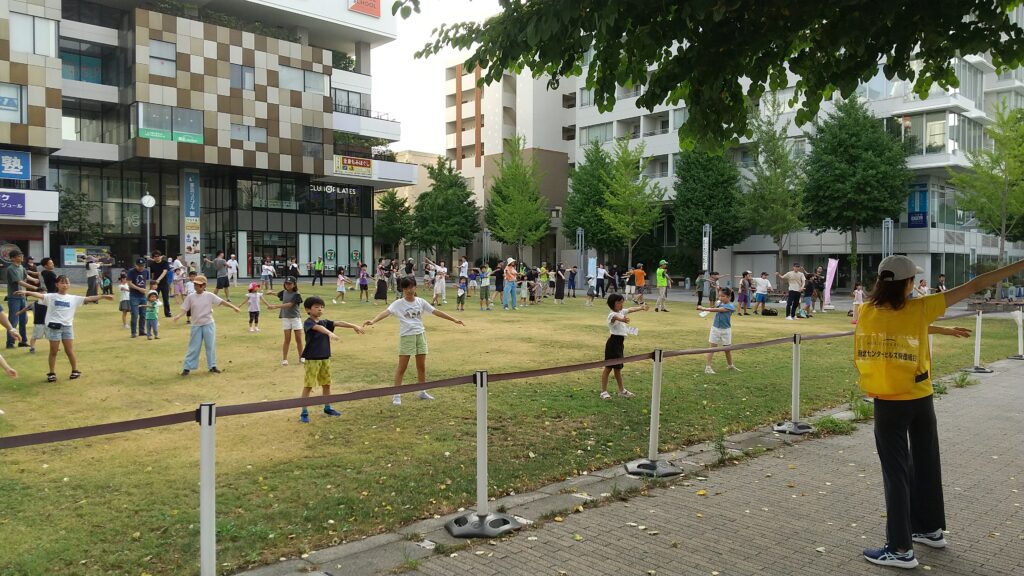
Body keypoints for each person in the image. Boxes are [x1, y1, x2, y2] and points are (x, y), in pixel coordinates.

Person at [855, 255, 1024, 568]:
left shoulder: (865, 310)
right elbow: (975, 285)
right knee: (926, 462)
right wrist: (1019, 265)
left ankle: (900, 549)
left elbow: (895, 325)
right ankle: (929, 529)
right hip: (921, 398)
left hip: (889, 402)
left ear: (880, 282)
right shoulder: (922, 307)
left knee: (896, 472)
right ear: (909, 283)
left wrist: (942, 331)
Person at [362, 276, 465, 405]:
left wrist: (454, 319)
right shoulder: (398, 303)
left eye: (411, 287)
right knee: (402, 367)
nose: (409, 290)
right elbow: (386, 312)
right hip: (407, 337)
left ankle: (422, 391)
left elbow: (436, 311)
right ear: (403, 289)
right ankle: (396, 394)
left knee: (421, 366)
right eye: (406, 288)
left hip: (420, 335)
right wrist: (373, 321)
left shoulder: (420, 301)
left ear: (415, 287)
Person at [17, 276, 113, 382]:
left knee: (69, 350)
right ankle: (51, 373)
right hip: (54, 327)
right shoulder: (51, 296)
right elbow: (39, 295)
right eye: (62, 283)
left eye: (67, 283)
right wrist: (27, 292)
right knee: (53, 351)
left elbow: (89, 298)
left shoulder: (73, 298)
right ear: (57, 285)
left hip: (67, 327)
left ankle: (75, 371)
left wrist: (103, 296)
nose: (65, 285)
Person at [297, 295, 364, 423]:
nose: (320, 309)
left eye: (322, 307)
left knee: (326, 384)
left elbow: (339, 322)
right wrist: (329, 333)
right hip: (312, 359)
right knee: (309, 385)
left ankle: (327, 407)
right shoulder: (308, 322)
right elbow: (318, 328)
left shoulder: (324, 322)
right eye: (317, 307)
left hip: (325, 358)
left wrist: (354, 325)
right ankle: (304, 412)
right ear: (308, 309)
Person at [173, 275, 240, 375]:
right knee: (194, 347)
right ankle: (187, 368)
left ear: (204, 286)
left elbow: (222, 302)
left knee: (210, 346)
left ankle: (212, 366)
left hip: (208, 324)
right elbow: (185, 309)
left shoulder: (209, 295)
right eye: (195, 284)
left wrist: (234, 307)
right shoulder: (190, 297)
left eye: (199, 285)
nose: (196, 286)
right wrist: (178, 316)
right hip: (196, 325)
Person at [600, 293, 648, 399]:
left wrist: (641, 308)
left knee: (618, 368)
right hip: (613, 344)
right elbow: (614, 318)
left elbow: (630, 309)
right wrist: (622, 319)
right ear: (613, 303)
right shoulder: (612, 314)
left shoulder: (621, 311)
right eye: (619, 302)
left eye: (622, 302)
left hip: (619, 344)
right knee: (608, 367)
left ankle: (622, 390)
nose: (621, 304)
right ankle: (603, 392)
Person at [698, 287, 739, 374]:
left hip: (726, 330)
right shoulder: (719, 303)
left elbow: (717, 310)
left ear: (729, 297)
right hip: (715, 329)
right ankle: (708, 367)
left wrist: (703, 308)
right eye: (719, 296)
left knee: (727, 349)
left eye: (723, 296)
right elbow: (715, 306)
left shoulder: (730, 306)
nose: (720, 298)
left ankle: (730, 365)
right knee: (712, 348)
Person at [265, 277, 303, 366]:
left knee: (298, 339)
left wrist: (275, 306)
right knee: (287, 339)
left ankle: (301, 357)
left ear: (294, 284)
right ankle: (285, 359)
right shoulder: (284, 292)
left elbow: (290, 305)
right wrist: (271, 293)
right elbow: (278, 294)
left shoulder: (297, 294)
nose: (287, 285)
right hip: (286, 318)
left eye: (290, 284)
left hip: (295, 318)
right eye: (286, 283)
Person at [3, 250, 35, 348]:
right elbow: (19, 281)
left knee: (24, 320)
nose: (21, 257)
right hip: (14, 298)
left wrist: (34, 279)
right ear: (12, 258)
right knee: (13, 320)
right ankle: (10, 342)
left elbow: (26, 276)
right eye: (18, 256)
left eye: (21, 255)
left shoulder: (21, 267)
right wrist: (34, 287)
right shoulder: (11, 268)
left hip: (22, 297)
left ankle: (23, 341)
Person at [126, 258, 151, 338]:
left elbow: (146, 282)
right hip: (134, 296)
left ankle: (142, 331)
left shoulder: (146, 271)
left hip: (143, 296)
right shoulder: (131, 271)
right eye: (139, 266)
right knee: (135, 314)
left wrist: (146, 290)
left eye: (142, 266)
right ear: (136, 265)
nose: (141, 267)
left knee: (143, 314)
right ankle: (133, 332)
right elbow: (129, 283)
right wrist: (139, 289)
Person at [148, 250, 172, 317]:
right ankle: (153, 312)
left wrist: (158, 280)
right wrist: (153, 283)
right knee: (153, 298)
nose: (157, 257)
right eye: (155, 256)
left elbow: (164, 272)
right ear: (153, 257)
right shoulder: (152, 264)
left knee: (166, 299)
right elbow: (152, 274)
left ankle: (167, 313)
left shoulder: (165, 263)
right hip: (155, 284)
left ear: (160, 256)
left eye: (158, 256)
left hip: (164, 283)